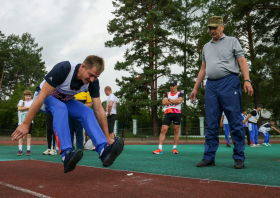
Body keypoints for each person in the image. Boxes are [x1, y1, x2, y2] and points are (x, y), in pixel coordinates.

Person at [12, 55, 124, 173]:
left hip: (65, 100)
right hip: (44, 99)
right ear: (82, 67)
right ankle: (66, 154)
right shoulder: (64, 69)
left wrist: (107, 137)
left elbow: (99, 110)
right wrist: (25, 124)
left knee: (86, 111)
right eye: (90, 75)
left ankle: (103, 150)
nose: (92, 79)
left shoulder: (93, 82)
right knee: (60, 108)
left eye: (96, 77)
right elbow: (41, 97)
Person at [190, 16, 253, 169]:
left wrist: (247, 79)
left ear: (222, 27)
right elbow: (203, 69)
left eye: (215, 27)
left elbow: (242, 61)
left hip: (229, 83)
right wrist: (195, 88)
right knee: (211, 123)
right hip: (211, 85)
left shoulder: (232, 41)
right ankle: (209, 156)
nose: (212, 31)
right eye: (210, 28)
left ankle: (239, 157)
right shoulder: (206, 47)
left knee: (235, 121)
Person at [153, 80, 183, 154]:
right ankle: (160, 149)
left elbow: (179, 101)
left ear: (176, 86)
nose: (172, 87)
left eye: (173, 86)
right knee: (163, 130)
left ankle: (174, 148)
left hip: (177, 113)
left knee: (176, 131)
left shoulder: (180, 93)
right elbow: (164, 102)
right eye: (171, 86)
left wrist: (169, 100)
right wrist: (173, 100)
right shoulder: (167, 94)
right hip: (168, 113)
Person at [17, 90, 34, 156]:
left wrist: (23, 108)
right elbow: (19, 109)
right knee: (20, 135)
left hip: (29, 121)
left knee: (28, 135)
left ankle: (28, 150)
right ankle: (20, 150)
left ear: (31, 96)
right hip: (21, 121)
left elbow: (32, 109)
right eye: (26, 96)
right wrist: (27, 108)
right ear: (24, 96)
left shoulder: (32, 101)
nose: (28, 97)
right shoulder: (21, 101)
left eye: (29, 96)